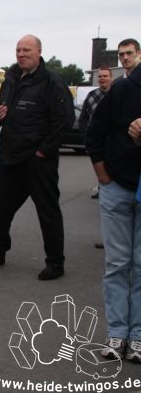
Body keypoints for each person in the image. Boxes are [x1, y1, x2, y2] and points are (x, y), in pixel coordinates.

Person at [0, 34, 74, 281]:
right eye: (18, 50)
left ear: (39, 52)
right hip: (11, 156)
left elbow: (64, 121)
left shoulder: (52, 81)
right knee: (1, 209)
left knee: (47, 211)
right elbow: (2, 115)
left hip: (38, 159)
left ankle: (55, 263)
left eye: (26, 50)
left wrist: (43, 151)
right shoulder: (11, 79)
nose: (21, 54)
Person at [86, 38, 141, 363]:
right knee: (118, 264)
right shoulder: (122, 90)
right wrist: (103, 176)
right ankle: (117, 333)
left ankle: (137, 336)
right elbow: (94, 134)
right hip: (118, 187)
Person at [79, 67, 113, 199]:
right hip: (96, 138)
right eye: (100, 76)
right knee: (98, 163)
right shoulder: (91, 95)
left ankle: (110, 189)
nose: (102, 78)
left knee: (111, 164)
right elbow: (83, 117)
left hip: (112, 138)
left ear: (111, 78)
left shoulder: (116, 94)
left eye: (105, 76)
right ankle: (102, 188)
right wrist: (86, 134)